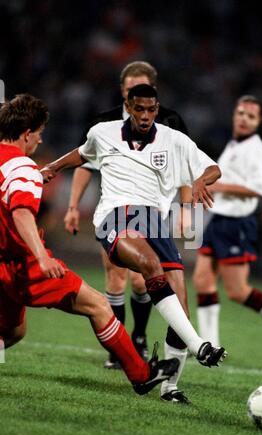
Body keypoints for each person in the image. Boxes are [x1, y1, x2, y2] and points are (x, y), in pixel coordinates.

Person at [41, 84, 228, 405]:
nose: (145, 115)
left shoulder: (175, 141)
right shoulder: (103, 132)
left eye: (151, 110)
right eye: (138, 109)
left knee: (179, 310)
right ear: (127, 105)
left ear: (157, 109)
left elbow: (214, 168)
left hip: (156, 222)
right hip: (115, 217)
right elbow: (82, 154)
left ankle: (170, 388)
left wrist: (199, 181)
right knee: (148, 265)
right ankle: (199, 345)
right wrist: (53, 168)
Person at [0, 93, 181, 397]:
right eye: (40, 134)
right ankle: (142, 375)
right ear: (27, 133)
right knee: (98, 306)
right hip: (23, 263)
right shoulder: (23, 167)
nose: (40, 142)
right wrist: (42, 258)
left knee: (14, 331)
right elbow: (21, 213)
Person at [64, 61, 190, 369]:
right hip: (115, 210)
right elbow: (84, 163)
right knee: (116, 277)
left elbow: (188, 167)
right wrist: (72, 206)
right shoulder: (103, 124)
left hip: (154, 212)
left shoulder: (171, 121)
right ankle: (120, 349)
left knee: (141, 281)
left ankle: (140, 337)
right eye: (130, 88)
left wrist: (186, 211)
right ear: (123, 91)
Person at [192, 95, 262, 348]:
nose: (243, 119)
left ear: (259, 121)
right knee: (202, 280)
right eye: (240, 113)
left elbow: (260, 189)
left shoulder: (255, 149)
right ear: (234, 115)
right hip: (219, 220)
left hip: (236, 225)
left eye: (250, 116)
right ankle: (210, 345)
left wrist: (218, 186)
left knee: (238, 291)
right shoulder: (235, 144)